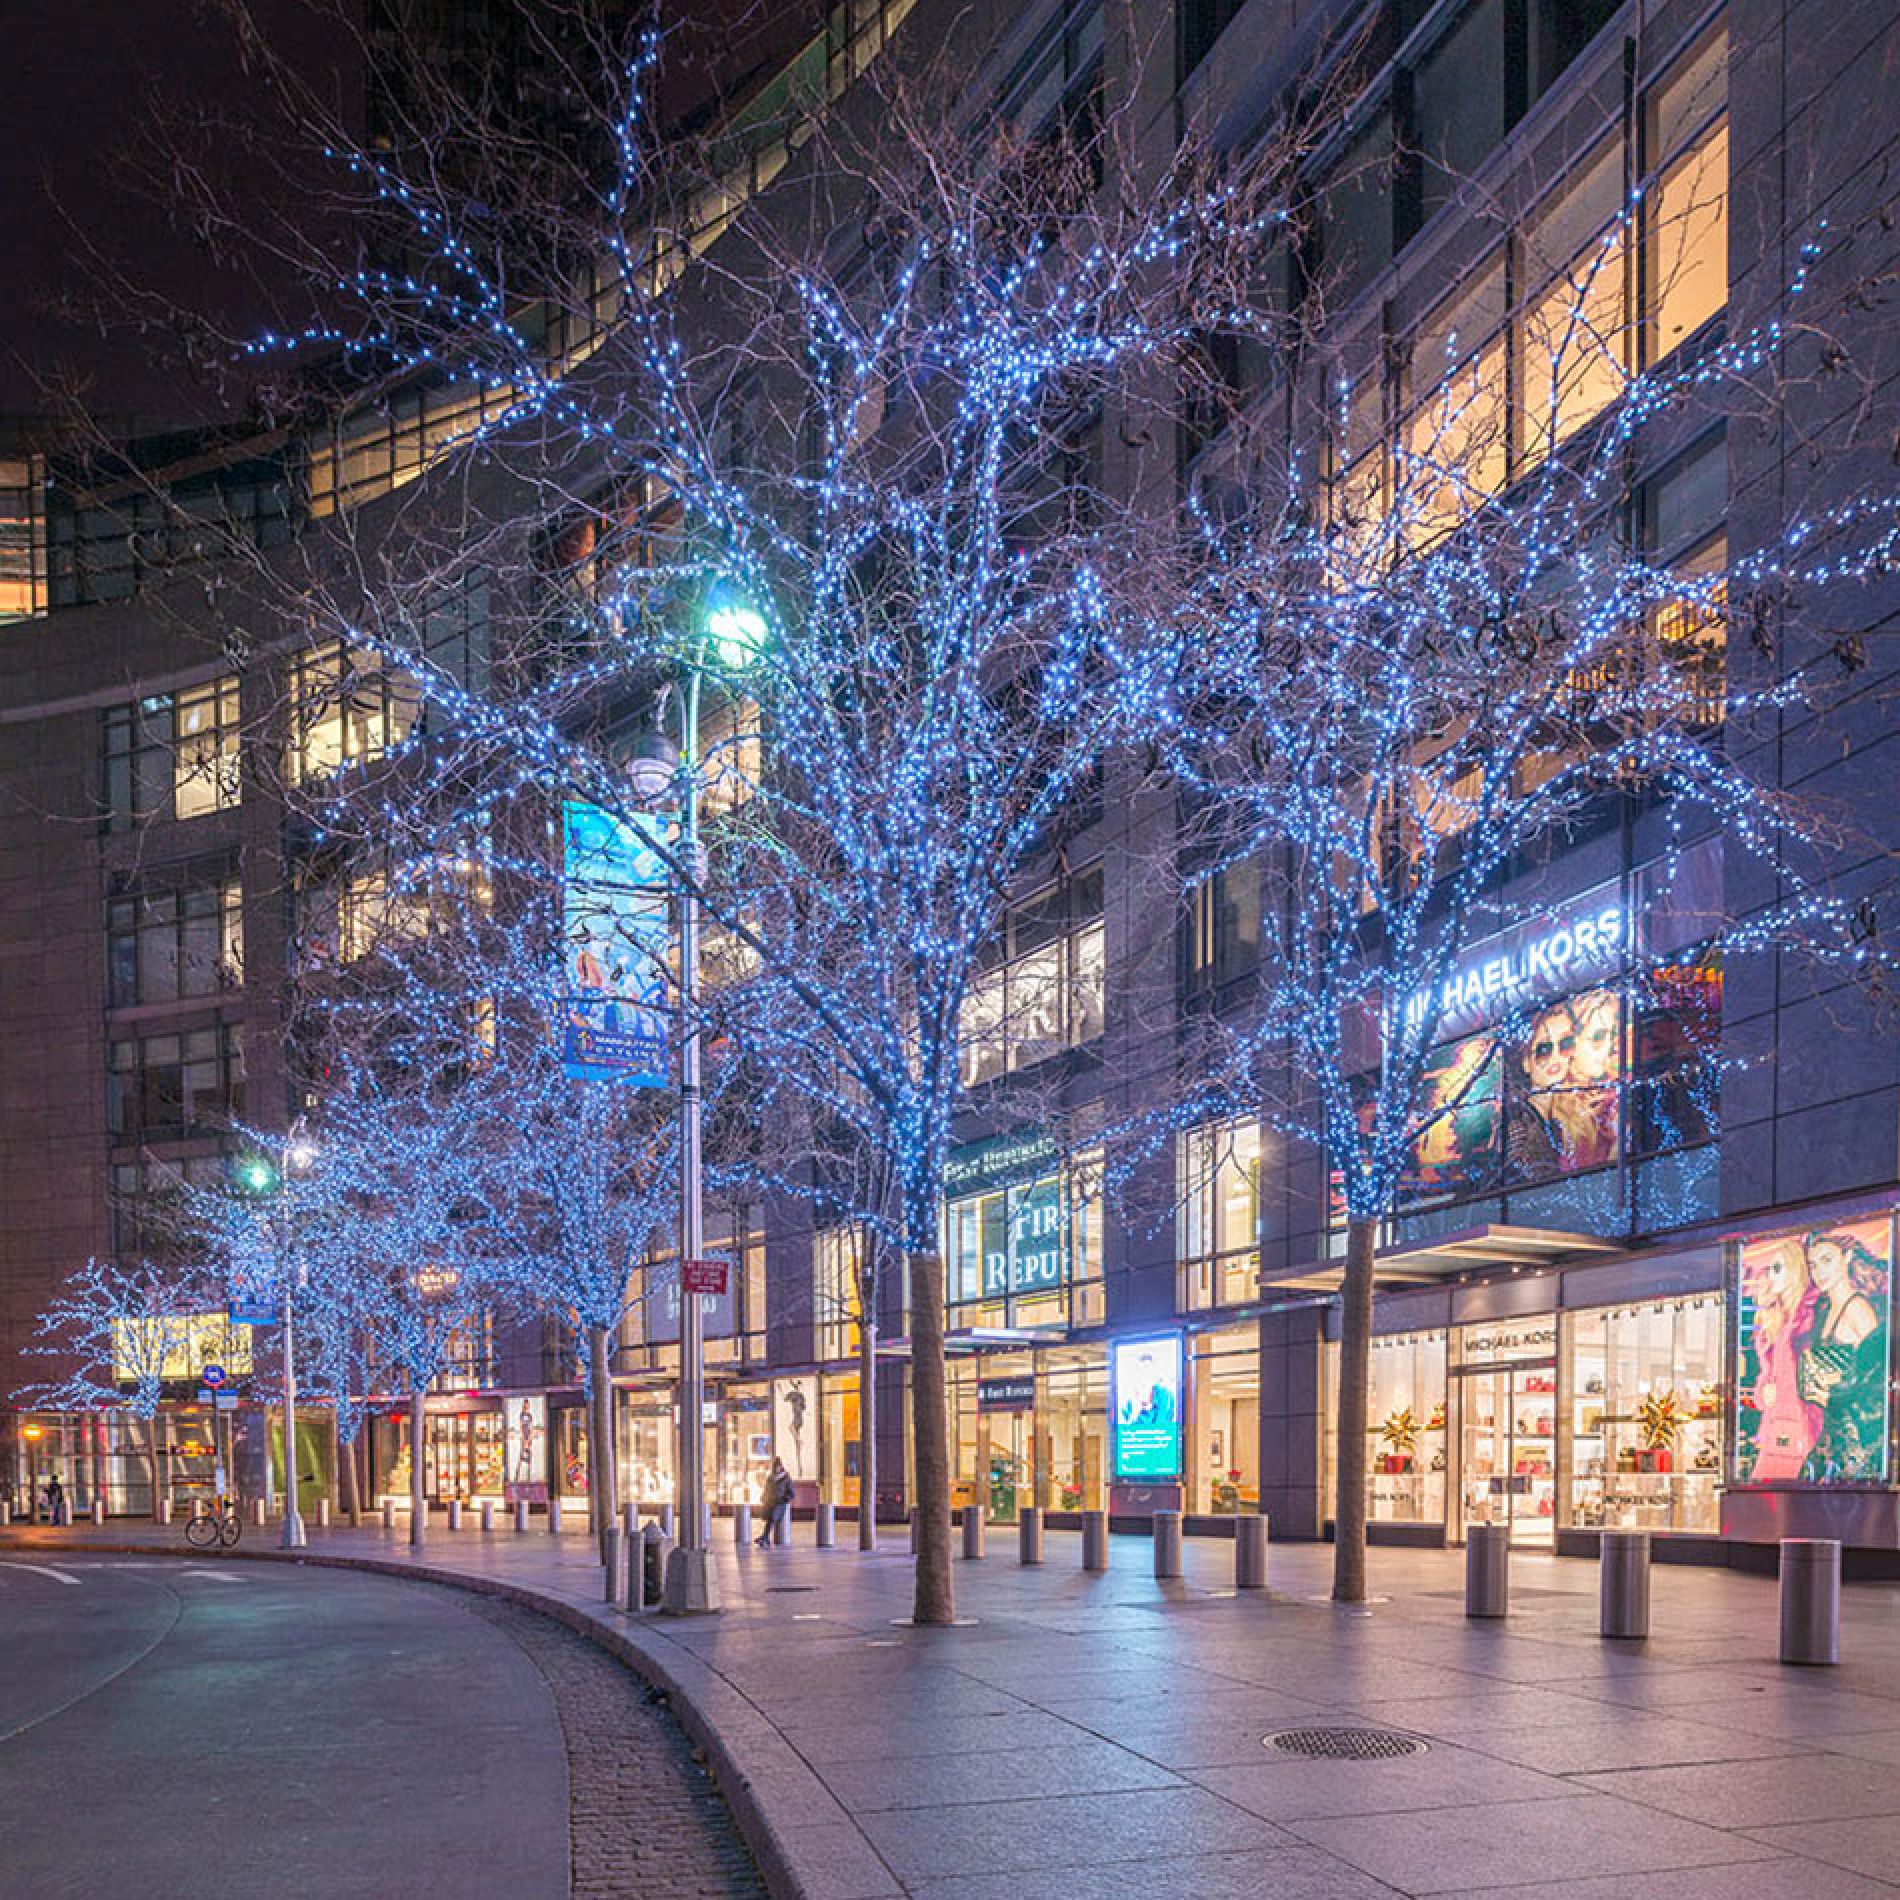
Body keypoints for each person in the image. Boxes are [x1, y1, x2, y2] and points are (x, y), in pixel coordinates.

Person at [1798, 1228, 1889, 1482]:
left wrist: (1832, 1395)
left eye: (1827, 1261)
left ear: (1847, 1257)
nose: (1819, 1272)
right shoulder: (1826, 1308)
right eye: (1813, 1265)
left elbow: (1878, 1382)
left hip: (1857, 1438)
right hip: (1834, 1431)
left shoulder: (1858, 1309)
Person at [1741, 1240, 1820, 1481]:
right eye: (1768, 1269)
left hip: (1800, 1426)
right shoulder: (1773, 1320)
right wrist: (1762, 1393)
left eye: (1778, 1268)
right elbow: (1764, 1377)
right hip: (1774, 1427)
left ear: (1795, 1270)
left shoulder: (1806, 1317)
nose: (1770, 1275)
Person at [756, 1456, 793, 1548]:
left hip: (780, 1503)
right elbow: (767, 1489)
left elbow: (791, 1492)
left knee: (772, 1518)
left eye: (778, 1467)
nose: (777, 1469)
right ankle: (765, 1538)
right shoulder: (770, 1477)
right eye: (775, 1467)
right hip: (770, 1502)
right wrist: (763, 1497)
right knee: (769, 1519)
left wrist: (786, 1498)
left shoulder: (786, 1478)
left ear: (781, 1467)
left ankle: (764, 1537)